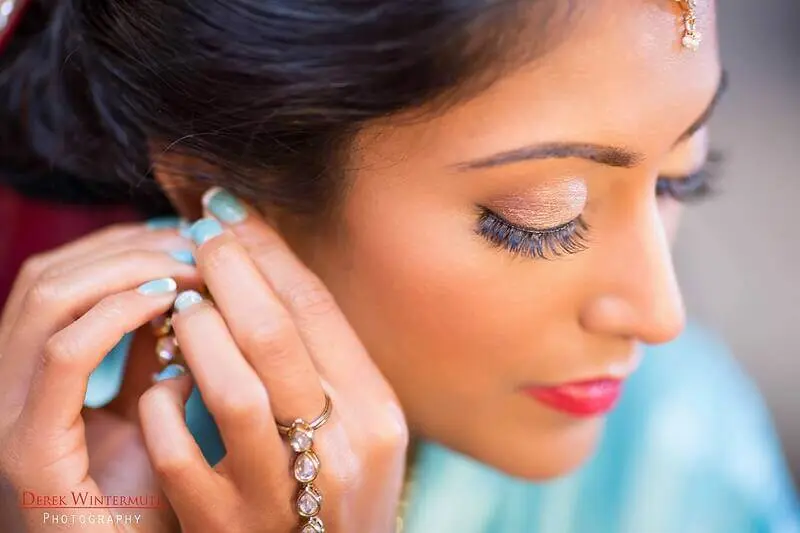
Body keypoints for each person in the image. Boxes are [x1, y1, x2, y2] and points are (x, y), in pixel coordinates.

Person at [0, 1, 798, 532]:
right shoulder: (76, 469)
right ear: (220, 187)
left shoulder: (687, 444)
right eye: (539, 217)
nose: (661, 314)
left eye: (680, 179)